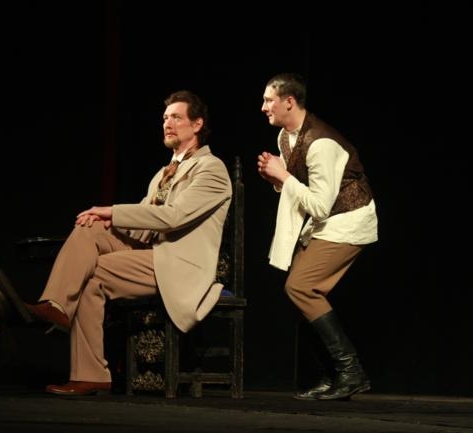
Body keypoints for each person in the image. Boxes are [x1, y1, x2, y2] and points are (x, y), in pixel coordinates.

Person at [25, 90, 232, 396]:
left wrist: (113, 211)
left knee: (94, 273)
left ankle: (90, 372)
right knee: (90, 227)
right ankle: (57, 307)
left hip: (180, 265)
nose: (167, 124)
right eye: (165, 118)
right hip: (152, 254)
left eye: (176, 117)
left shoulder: (211, 169)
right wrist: (107, 220)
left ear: (197, 124)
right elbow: (144, 226)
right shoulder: (162, 174)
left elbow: (173, 217)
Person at [257, 73, 378, 401]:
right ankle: (335, 373)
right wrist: (278, 179)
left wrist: (283, 176)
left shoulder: (321, 143)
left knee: (300, 286)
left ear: (289, 102)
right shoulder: (285, 137)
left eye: (269, 100)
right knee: (299, 293)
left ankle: (351, 371)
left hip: (349, 219)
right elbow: (303, 188)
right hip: (326, 221)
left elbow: (320, 205)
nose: (264, 107)